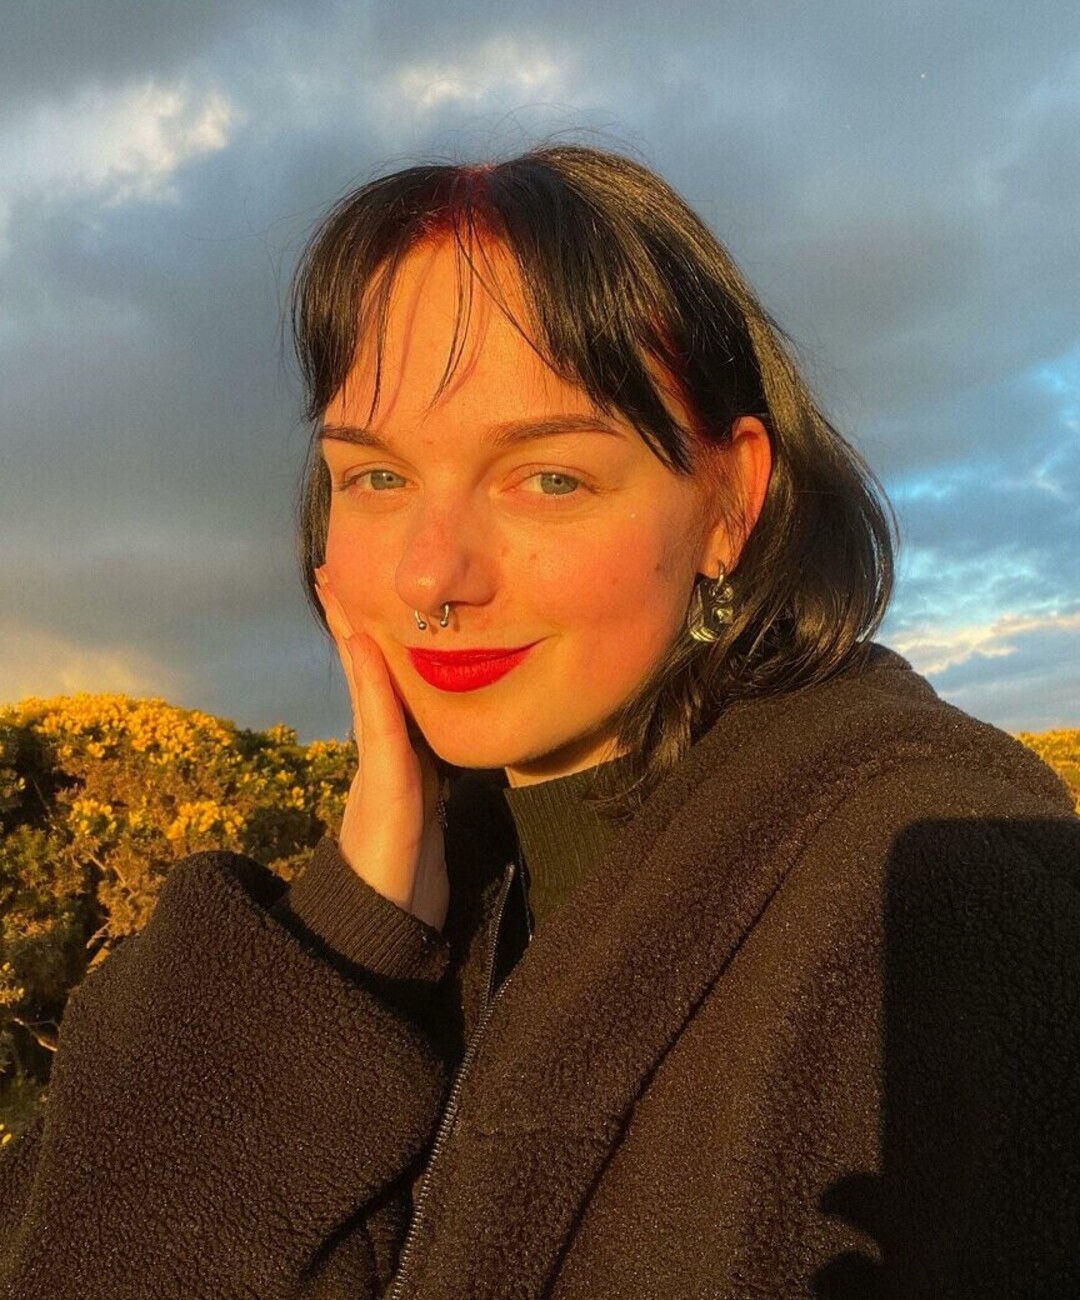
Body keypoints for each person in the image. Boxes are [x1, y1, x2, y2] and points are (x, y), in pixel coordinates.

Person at [1, 144, 1077, 1298]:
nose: (431, 575)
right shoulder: (423, 909)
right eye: (375, 477)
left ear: (731, 502)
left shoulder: (950, 908)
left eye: (548, 477)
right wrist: (342, 944)